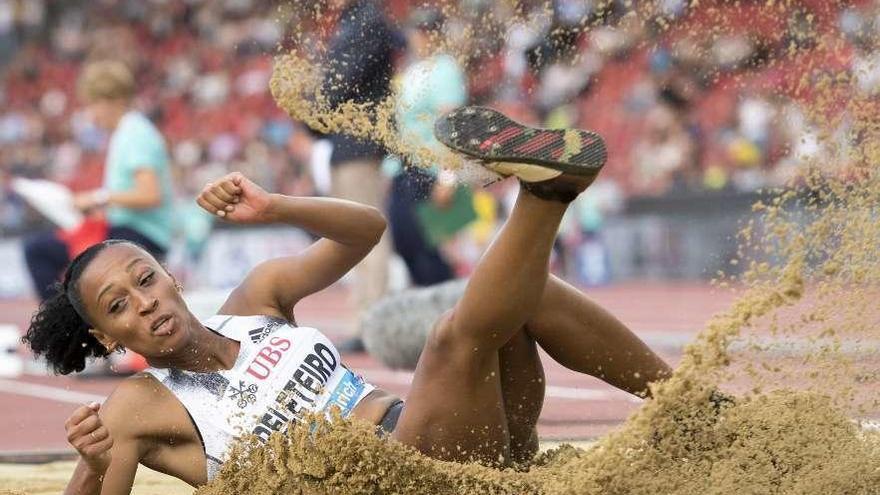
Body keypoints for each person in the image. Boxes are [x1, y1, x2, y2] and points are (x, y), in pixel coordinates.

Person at [23, 107, 672, 494]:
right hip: (390, 482)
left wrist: (275, 205)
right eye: (117, 307)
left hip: (460, 444)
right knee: (450, 337)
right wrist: (91, 462)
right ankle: (546, 193)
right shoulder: (139, 402)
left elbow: (367, 228)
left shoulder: (256, 302)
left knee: (529, 295)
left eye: (144, 279)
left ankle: (687, 401)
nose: (142, 303)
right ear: (109, 338)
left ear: (171, 275)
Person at [23, 60, 174, 302]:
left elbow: (150, 194)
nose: (91, 114)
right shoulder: (130, 131)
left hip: (139, 235)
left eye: (92, 104)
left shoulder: (134, 133)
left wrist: (98, 197)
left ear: (109, 99)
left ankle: (62, 332)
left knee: (38, 251)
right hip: (129, 230)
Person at [321, 0, 404, 353]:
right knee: (354, 233)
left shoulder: (366, 19)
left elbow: (340, 82)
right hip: (351, 140)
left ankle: (372, 323)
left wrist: (319, 97)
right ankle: (367, 318)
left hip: (359, 140)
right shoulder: (358, 19)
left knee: (366, 230)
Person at [387, 7, 468, 286]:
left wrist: (449, 176)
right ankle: (431, 309)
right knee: (405, 242)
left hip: (430, 170)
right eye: (417, 31)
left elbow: (452, 125)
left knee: (429, 249)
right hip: (404, 168)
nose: (419, 38)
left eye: (424, 32)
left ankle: (445, 312)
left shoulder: (445, 68)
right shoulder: (412, 71)